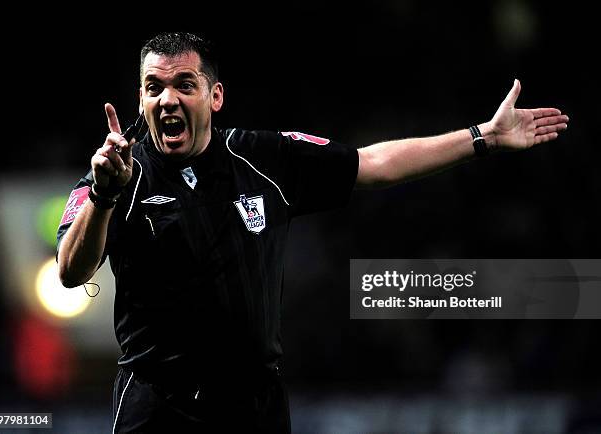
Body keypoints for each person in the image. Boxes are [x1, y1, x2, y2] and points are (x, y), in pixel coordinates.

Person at [56, 32, 569, 433]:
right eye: (153, 88)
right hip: (155, 406)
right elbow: (70, 273)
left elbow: (373, 163)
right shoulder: (115, 173)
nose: (167, 99)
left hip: (253, 407)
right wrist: (104, 195)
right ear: (140, 100)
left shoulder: (264, 158)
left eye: (183, 84)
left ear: (214, 96)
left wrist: (482, 137)